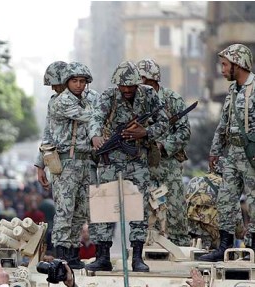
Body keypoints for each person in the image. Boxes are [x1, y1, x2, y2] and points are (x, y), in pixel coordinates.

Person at [87, 61, 169, 273]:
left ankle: (137, 257)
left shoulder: (149, 95)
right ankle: (102, 255)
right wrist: (95, 136)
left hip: (137, 159)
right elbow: (96, 117)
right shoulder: (108, 96)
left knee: (138, 207)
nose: (126, 90)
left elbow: (164, 121)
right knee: (104, 205)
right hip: (110, 159)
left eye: (131, 86)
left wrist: (145, 133)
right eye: (123, 86)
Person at [200, 44, 255, 261]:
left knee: (253, 202)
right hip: (232, 155)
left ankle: (252, 247)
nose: (222, 70)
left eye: (225, 65)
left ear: (238, 64)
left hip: (251, 154)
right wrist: (215, 151)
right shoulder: (233, 90)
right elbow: (223, 124)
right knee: (225, 200)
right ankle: (225, 246)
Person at [48, 62, 99, 269]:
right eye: (74, 81)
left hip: (86, 160)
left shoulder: (87, 99)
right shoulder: (62, 101)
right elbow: (90, 116)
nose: (79, 85)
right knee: (65, 210)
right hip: (67, 162)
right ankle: (61, 254)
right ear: (67, 82)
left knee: (81, 211)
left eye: (82, 81)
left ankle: (73, 254)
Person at [137, 58, 191, 247]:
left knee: (175, 208)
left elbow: (184, 132)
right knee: (146, 210)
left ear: (154, 81)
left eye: (144, 81)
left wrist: (162, 146)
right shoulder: (136, 102)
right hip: (143, 165)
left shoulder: (172, 99)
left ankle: (180, 245)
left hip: (168, 164)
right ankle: (146, 246)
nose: (141, 86)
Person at [35, 61, 68, 192]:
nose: (53, 88)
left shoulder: (90, 98)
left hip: (87, 163)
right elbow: (48, 133)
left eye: (55, 84)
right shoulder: (53, 102)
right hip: (60, 163)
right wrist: (40, 165)